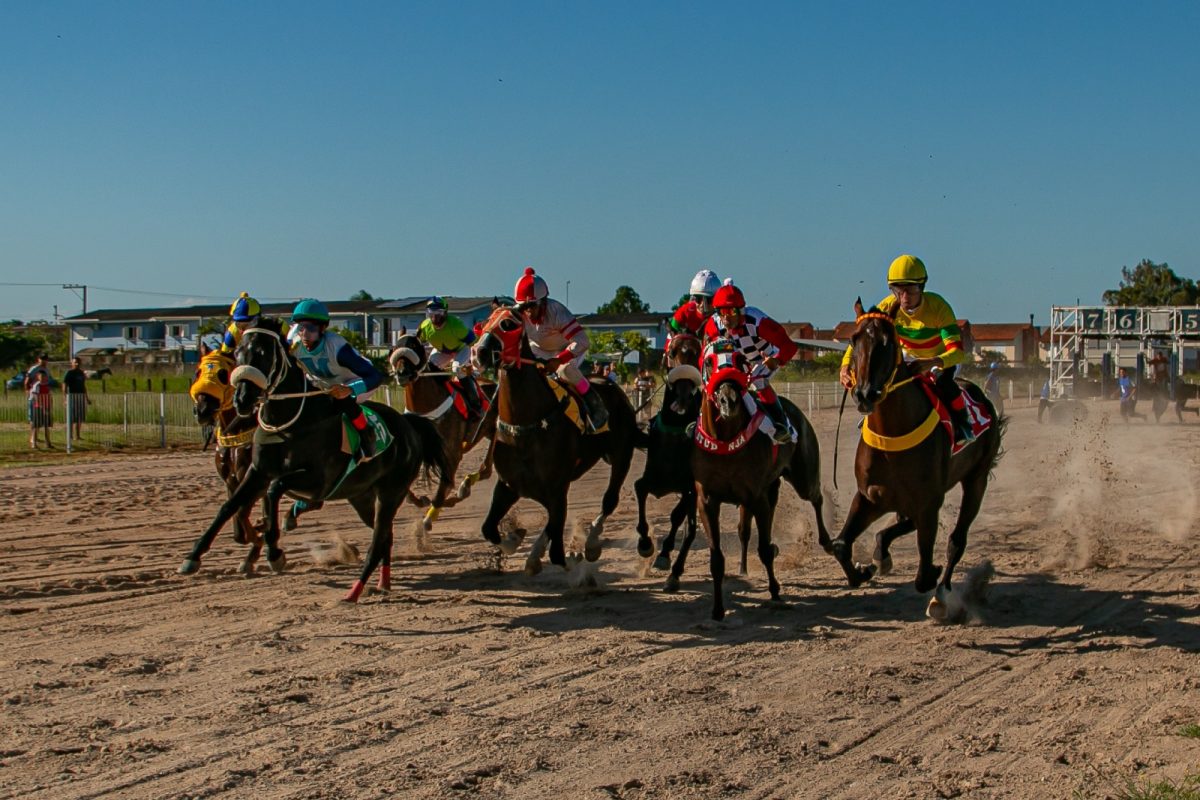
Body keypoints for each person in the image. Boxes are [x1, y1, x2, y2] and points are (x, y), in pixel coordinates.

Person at [839, 254, 975, 444]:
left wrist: (931, 362)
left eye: (910, 290)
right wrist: (845, 366)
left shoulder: (939, 307)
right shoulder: (886, 307)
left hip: (939, 358)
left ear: (922, 287)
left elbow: (957, 352)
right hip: (907, 356)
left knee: (944, 383)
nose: (904, 297)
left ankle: (963, 424)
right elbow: (861, 339)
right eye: (897, 290)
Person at [701, 279, 797, 443]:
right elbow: (706, 354)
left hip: (765, 358)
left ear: (741, 311)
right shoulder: (713, 325)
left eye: (731, 312)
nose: (725, 318)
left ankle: (781, 424)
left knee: (757, 381)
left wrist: (777, 360)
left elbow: (789, 346)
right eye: (721, 312)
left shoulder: (758, 322)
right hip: (741, 362)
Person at [287, 299, 385, 459]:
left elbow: (376, 376)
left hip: (359, 381)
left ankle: (366, 434)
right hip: (326, 385)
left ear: (323, 328)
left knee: (343, 400)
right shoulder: (294, 345)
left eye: (311, 328)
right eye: (301, 327)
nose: (304, 334)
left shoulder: (337, 348)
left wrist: (349, 389)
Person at [512, 267, 608, 428]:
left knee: (564, 370)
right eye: (523, 307)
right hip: (539, 349)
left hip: (567, 348)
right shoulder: (518, 315)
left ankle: (595, 404)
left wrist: (559, 360)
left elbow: (582, 341)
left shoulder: (556, 311)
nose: (527, 311)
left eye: (532, 305)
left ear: (543, 302)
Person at [417, 296, 482, 416]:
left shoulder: (455, 324)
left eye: (439, 313)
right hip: (442, 351)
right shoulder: (425, 327)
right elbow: (417, 343)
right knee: (430, 368)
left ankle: (475, 404)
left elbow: (472, 341)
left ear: (446, 313)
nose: (435, 317)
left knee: (456, 369)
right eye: (431, 313)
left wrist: (473, 361)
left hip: (461, 349)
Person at [668, 269, 721, 339]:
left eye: (708, 300)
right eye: (698, 299)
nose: (702, 304)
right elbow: (672, 331)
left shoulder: (722, 315)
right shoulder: (685, 311)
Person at [62, 357, 90, 440]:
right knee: (71, 417)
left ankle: (77, 435)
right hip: (72, 396)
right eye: (75, 362)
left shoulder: (81, 373)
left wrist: (86, 398)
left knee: (80, 417)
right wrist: (65, 398)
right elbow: (64, 386)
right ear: (72, 363)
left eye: (78, 362)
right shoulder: (69, 373)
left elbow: (83, 386)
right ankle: (70, 435)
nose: (77, 364)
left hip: (80, 396)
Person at [29, 370, 53, 449]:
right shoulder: (37, 385)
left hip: (47, 407)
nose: (43, 378)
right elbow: (36, 397)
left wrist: (50, 406)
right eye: (41, 376)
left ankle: (48, 443)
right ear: (38, 377)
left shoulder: (48, 385)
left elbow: (50, 396)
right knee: (36, 426)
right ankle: (34, 443)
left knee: (46, 426)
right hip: (38, 407)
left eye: (44, 376)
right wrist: (42, 407)